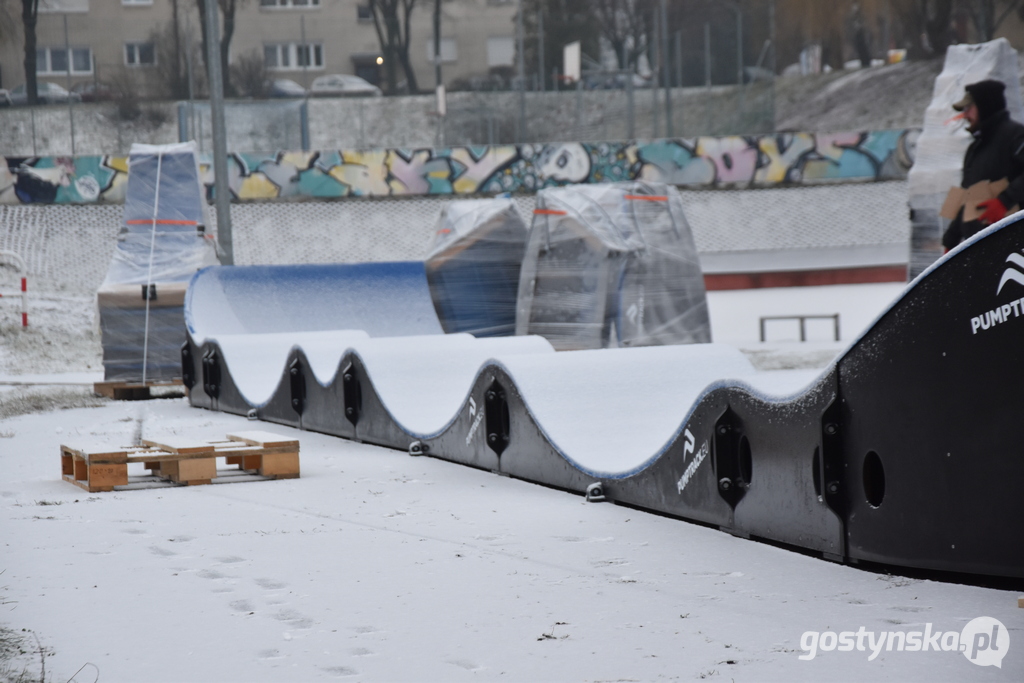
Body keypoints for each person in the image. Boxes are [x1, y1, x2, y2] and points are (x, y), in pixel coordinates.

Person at [942, 79, 1024, 249]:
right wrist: (951, 240)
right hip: (982, 248)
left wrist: (1004, 201)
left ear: (985, 106)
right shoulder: (975, 148)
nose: (964, 115)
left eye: (969, 108)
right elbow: (967, 196)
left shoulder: (1015, 136)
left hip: (1013, 246)